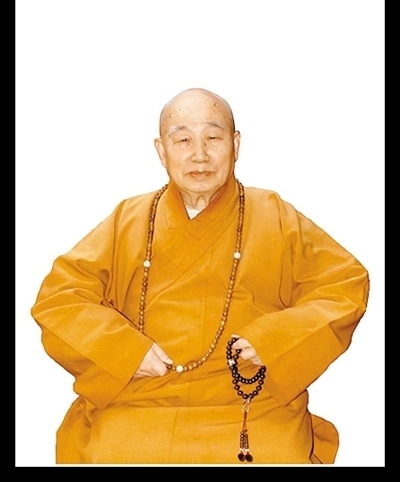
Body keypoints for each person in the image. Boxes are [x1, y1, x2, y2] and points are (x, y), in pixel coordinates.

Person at [31, 87, 369, 465]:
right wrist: (125, 352)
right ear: (161, 150)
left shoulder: (274, 215)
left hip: (250, 401)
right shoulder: (130, 219)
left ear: (235, 145)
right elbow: (60, 299)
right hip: (140, 399)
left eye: (213, 137)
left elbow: (344, 285)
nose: (199, 155)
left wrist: (275, 341)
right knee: (113, 452)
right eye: (183, 140)